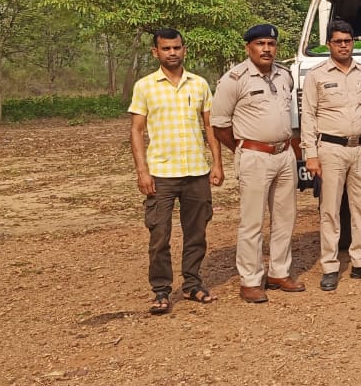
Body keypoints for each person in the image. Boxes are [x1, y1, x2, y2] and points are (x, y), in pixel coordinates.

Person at [128, 28, 224, 315]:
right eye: (166, 48)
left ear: (184, 50)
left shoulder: (199, 84)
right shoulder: (145, 86)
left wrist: (217, 163)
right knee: (159, 235)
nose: (172, 52)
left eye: (177, 47)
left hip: (196, 171)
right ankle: (161, 290)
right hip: (161, 173)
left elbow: (210, 126)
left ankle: (192, 284)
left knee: (197, 232)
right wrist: (142, 171)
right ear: (155, 52)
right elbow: (136, 130)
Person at [212, 24, 303, 303]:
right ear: (248, 47)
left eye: (271, 44)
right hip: (254, 156)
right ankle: (250, 280)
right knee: (252, 222)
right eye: (260, 44)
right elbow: (219, 125)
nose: (266, 49)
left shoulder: (284, 75)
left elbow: (290, 117)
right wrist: (243, 149)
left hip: (284, 154)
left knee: (285, 217)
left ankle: (279, 272)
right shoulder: (234, 79)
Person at [299, 20, 361, 292]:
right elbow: (308, 116)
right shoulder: (316, 75)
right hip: (330, 149)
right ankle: (330, 266)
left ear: (353, 42)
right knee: (330, 211)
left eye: (348, 41)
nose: (344, 46)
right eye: (338, 41)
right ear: (329, 44)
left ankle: (360, 263)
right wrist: (310, 154)